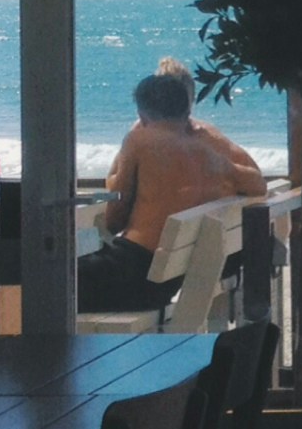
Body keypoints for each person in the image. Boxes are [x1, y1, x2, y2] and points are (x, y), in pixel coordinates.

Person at [79, 68, 267, 312]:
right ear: (187, 109)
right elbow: (258, 185)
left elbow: (114, 220)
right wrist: (226, 167)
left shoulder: (139, 141)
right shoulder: (207, 151)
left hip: (132, 272)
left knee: (42, 277)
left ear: (141, 112)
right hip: (166, 281)